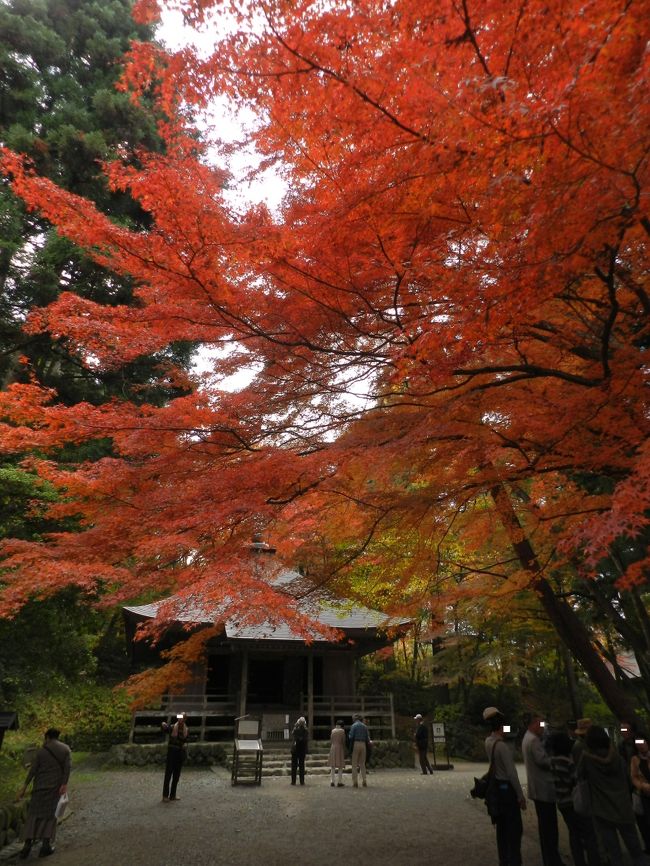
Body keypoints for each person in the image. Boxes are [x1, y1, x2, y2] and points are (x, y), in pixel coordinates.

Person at [577, 724, 649, 866]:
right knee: (636, 851)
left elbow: (579, 776)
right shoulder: (617, 757)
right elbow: (628, 779)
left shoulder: (586, 759)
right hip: (623, 807)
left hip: (602, 811)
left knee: (614, 853)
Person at [548, 731, 601, 866]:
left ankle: (579, 861)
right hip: (574, 802)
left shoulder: (551, 761)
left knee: (574, 834)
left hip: (561, 802)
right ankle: (594, 861)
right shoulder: (567, 762)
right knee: (589, 833)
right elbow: (574, 780)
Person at [18, 727, 71, 859]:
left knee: (33, 815)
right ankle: (45, 846)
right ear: (57, 737)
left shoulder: (41, 752)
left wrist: (24, 787)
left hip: (39, 788)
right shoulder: (65, 749)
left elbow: (33, 771)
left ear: (47, 737)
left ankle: (26, 846)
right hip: (55, 788)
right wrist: (64, 784)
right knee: (49, 816)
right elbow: (67, 769)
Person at [483, 707, 526, 866]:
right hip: (507, 789)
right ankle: (514, 860)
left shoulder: (488, 742)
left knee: (501, 828)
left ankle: (504, 859)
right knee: (514, 829)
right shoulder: (502, 747)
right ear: (500, 726)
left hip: (497, 790)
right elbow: (512, 774)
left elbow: (507, 731)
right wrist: (520, 796)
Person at [522, 713, 565, 866]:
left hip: (537, 787)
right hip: (543, 788)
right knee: (549, 827)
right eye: (540, 725)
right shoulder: (533, 740)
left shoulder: (527, 737)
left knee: (545, 826)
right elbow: (542, 761)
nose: (542, 728)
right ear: (533, 724)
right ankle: (552, 859)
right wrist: (556, 760)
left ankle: (549, 858)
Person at [162, 713, 188, 801]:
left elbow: (186, 740)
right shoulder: (173, 727)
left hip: (179, 754)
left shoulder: (186, 730)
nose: (180, 719)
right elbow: (165, 730)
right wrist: (163, 725)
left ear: (184, 719)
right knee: (168, 775)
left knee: (176, 776)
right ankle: (165, 795)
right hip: (171, 753)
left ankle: (173, 795)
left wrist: (184, 745)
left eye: (182, 718)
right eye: (179, 717)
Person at [631, 733, 650, 853]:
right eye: (638, 744)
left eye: (642, 742)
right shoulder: (635, 759)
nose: (641, 746)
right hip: (644, 795)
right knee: (646, 823)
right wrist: (643, 786)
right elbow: (633, 777)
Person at [348, 713, 370, 788]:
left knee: (354, 763)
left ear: (355, 719)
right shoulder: (365, 726)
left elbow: (351, 736)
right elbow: (367, 738)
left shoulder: (353, 726)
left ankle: (355, 782)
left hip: (356, 743)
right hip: (363, 744)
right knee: (362, 763)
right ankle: (364, 780)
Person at [290, 716, 309, 785]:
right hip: (302, 749)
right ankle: (302, 781)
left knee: (294, 766)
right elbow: (306, 739)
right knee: (301, 766)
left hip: (295, 749)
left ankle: (293, 781)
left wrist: (296, 725)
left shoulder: (295, 730)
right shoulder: (306, 730)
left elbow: (293, 734)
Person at [329, 719, 347, 787]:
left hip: (333, 747)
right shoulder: (342, 731)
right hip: (339, 747)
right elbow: (343, 741)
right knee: (340, 766)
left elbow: (331, 739)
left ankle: (332, 781)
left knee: (333, 766)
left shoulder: (333, 730)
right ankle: (339, 781)